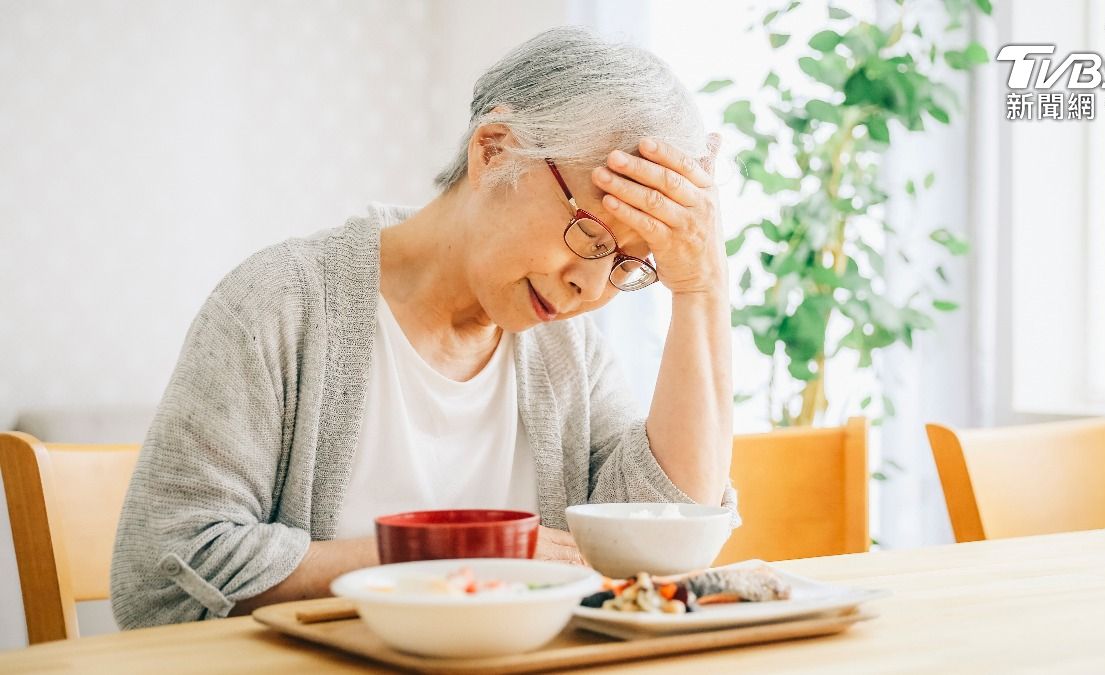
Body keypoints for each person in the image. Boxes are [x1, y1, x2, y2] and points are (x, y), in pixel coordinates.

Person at [110, 25, 740, 629]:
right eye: (591, 233)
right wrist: (455, 557)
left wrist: (702, 288)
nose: (592, 288)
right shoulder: (279, 305)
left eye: (627, 263)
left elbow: (660, 545)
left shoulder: (565, 347)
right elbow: (163, 580)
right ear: (494, 152)